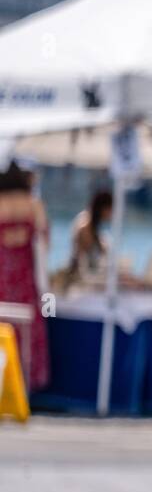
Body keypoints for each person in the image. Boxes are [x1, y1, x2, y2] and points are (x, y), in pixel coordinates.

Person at [0, 161, 49, 390]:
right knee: (26, 329)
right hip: (25, 275)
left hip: (3, 274)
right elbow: (45, 241)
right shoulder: (34, 204)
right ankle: (24, 383)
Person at [67, 188, 114, 282]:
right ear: (104, 209)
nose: (112, 214)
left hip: (90, 276)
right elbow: (83, 262)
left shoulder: (89, 223)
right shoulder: (85, 227)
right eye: (111, 209)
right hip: (85, 280)